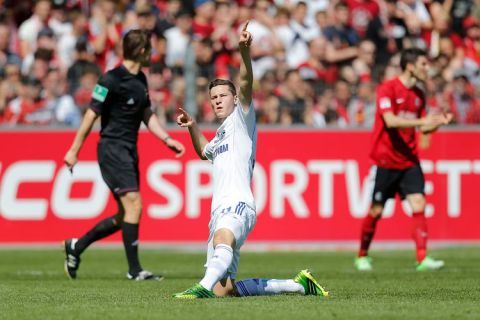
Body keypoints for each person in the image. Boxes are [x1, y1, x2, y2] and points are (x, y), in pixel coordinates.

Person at [173, 22, 328, 299]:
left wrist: (244, 52)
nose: (218, 100)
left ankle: (200, 289)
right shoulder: (220, 136)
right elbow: (203, 152)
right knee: (227, 291)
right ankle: (299, 285)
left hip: (238, 204)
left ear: (235, 98)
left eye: (223, 95)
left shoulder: (242, 119)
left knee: (223, 240)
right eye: (213, 97)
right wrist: (193, 126)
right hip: (219, 208)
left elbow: (245, 81)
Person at [62, 29, 185, 280]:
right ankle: (135, 271)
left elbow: (146, 115)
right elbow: (91, 115)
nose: (152, 54)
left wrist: (166, 138)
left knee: (124, 215)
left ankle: (77, 245)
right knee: (135, 206)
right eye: (149, 49)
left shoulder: (140, 79)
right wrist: (74, 150)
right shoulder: (109, 80)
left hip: (129, 150)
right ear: (141, 52)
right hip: (112, 149)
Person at [354, 48, 453, 272]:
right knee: (376, 211)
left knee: (419, 204)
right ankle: (362, 255)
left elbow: (423, 126)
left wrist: (439, 122)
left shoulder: (418, 95)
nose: (428, 69)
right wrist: (423, 122)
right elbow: (390, 121)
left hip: (409, 160)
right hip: (385, 161)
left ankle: (422, 258)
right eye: (424, 64)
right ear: (410, 66)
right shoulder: (388, 89)